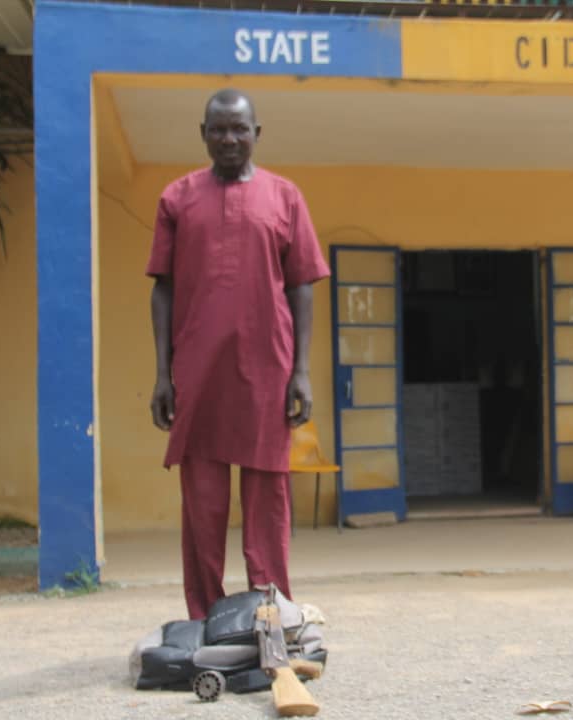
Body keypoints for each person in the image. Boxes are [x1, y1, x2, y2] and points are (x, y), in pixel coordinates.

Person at [146, 89, 330, 620]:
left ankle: (270, 610)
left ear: (257, 134)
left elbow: (301, 287)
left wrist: (301, 371)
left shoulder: (285, 197)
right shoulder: (176, 199)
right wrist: (162, 374)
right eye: (218, 129)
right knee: (202, 500)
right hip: (197, 370)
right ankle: (205, 613)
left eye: (239, 129)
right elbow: (163, 287)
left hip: (266, 368)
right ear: (202, 133)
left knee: (267, 496)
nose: (229, 138)